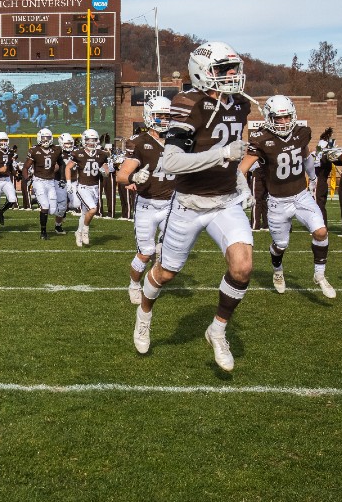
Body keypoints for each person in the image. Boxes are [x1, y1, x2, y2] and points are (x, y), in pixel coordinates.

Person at [134, 41, 253, 372]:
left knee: (242, 267)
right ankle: (144, 313)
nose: (232, 75)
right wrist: (221, 155)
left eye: (234, 68)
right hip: (189, 203)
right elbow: (172, 161)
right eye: (223, 70)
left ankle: (217, 329)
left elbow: (237, 152)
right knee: (166, 273)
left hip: (225, 201)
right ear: (202, 72)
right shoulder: (188, 103)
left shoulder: (240, 104)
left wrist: (241, 182)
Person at [239, 95, 334, 297]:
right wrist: (243, 191)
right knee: (280, 245)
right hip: (277, 201)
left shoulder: (301, 133)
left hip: (301, 195)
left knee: (321, 231)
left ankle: (319, 275)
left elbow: (306, 156)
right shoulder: (261, 138)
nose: (283, 122)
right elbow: (242, 169)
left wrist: (313, 177)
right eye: (278, 118)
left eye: (287, 117)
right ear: (268, 118)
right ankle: (277, 270)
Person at [116, 97, 175, 304]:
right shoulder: (139, 142)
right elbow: (121, 175)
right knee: (145, 253)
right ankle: (134, 284)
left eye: (167, 115)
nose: (164, 120)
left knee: (165, 250)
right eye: (160, 115)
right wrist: (133, 177)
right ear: (149, 116)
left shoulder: (178, 140)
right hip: (147, 205)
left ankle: (153, 282)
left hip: (171, 204)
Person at [66, 129, 111, 247]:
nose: (91, 143)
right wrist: (69, 182)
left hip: (94, 188)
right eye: (89, 140)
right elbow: (68, 168)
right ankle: (85, 230)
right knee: (93, 209)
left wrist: (105, 172)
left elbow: (107, 171)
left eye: (94, 140)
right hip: (83, 187)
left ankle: (78, 232)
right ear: (84, 141)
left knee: (85, 213)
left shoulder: (102, 154)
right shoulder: (78, 153)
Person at [23, 128, 62, 240]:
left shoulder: (56, 149)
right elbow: (26, 167)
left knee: (53, 210)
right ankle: (43, 232)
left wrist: (61, 174)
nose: (46, 140)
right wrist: (26, 179)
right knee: (45, 206)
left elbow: (61, 164)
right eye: (43, 138)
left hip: (50, 181)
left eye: (48, 138)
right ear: (39, 138)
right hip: (39, 180)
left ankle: (37, 200)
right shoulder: (34, 150)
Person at [0, 132, 19, 225]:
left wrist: (16, 174)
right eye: (1, 140)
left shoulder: (10, 152)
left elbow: (10, 166)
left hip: (6, 179)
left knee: (12, 199)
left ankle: (1, 211)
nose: (3, 142)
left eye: (5, 140)